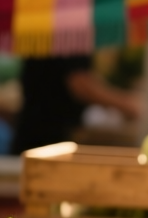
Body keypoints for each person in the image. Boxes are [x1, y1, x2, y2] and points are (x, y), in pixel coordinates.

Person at [12, 54, 140, 152]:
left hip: (41, 134)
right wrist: (127, 104)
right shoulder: (69, 32)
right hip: (45, 140)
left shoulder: (61, 28)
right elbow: (80, 85)